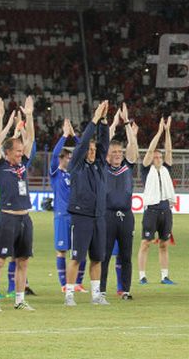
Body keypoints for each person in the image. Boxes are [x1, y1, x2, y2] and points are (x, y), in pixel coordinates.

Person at [0, 96, 36, 311]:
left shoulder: (22, 164)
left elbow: (31, 139)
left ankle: (19, 299)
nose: (21, 152)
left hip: (25, 217)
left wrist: (30, 116)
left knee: (23, 260)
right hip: (7, 218)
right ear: (8, 153)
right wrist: (0, 116)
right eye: (17, 150)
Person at [64, 101, 110, 307]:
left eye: (94, 149)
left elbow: (105, 144)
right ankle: (70, 296)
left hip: (99, 217)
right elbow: (82, 143)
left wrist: (104, 122)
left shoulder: (99, 165)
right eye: (89, 149)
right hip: (81, 217)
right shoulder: (76, 166)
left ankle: (96, 295)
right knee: (76, 258)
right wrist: (94, 119)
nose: (92, 152)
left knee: (98, 258)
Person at [101, 104, 138, 299]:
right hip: (107, 215)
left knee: (126, 255)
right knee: (105, 255)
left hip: (126, 215)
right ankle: (102, 290)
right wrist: (113, 123)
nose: (117, 155)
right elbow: (104, 143)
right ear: (108, 155)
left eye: (119, 153)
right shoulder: (104, 168)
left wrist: (126, 125)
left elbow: (133, 148)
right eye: (113, 153)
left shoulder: (127, 167)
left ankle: (126, 290)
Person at [51, 119, 87, 293]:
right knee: (62, 251)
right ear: (62, 159)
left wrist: (75, 136)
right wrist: (65, 136)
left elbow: (86, 151)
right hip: (62, 216)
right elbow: (54, 154)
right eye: (68, 157)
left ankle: (78, 283)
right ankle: (64, 284)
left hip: (77, 216)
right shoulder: (55, 173)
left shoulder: (75, 173)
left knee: (81, 250)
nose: (71, 160)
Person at [138, 117, 176, 285]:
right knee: (145, 243)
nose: (158, 158)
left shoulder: (166, 169)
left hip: (165, 210)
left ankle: (164, 276)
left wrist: (167, 131)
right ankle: (142, 276)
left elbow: (169, 150)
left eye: (160, 157)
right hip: (151, 210)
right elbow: (150, 151)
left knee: (164, 245)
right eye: (156, 157)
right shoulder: (147, 170)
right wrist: (159, 131)